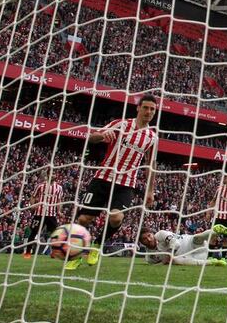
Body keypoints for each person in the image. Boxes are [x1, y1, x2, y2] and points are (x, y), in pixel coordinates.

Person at [68, 94, 159, 270]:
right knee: (83, 219)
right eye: (146, 107)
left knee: (116, 218)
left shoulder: (152, 137)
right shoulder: (122, 124)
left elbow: (151, 164)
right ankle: (75, 255)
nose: (149, 112)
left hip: (126, 184)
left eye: (152, 109)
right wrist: (102, 136)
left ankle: (96, 246)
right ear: (138, 108)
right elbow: (92, 137)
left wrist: (150, 190)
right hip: (103, 178)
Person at [139, 224, 227, 266]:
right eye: (144, 239)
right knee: (175, 260)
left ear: (152, 233)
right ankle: (213, 262)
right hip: (194, 258)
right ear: (142, 242)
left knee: (197, 238)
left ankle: (215, 231)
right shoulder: (149, 257)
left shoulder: (160, 234)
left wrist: (167, 257)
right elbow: (160, 265)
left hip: (191, 244)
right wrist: (164, 262)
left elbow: (176, 244)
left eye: (149, 235)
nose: (149, 239)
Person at [23, 173, 64, 258]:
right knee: (33, 233)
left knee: (55, 234)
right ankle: (27, 252)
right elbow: (33, 196)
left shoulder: (59, 188)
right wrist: (32, 205)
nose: (53, 175)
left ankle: (54, 252)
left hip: (51, 215)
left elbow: (59, 201)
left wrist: (59, 211)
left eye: (54, 174)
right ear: (48, 175)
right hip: (39, 213)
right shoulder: (40, 186)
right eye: (51, 173)